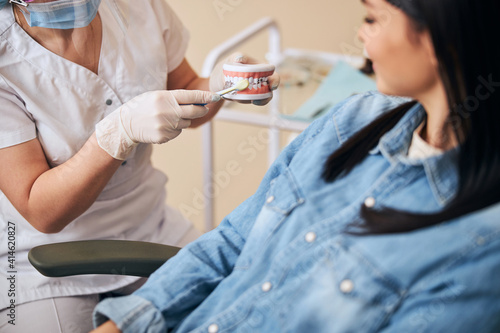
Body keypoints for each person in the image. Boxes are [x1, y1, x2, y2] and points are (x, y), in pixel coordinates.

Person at [91, 0, 500, 332]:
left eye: (372, 18)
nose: (360, 33)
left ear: (438, 37)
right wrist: (123, 324)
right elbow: (234, 241)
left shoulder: (481, 247)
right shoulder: (353, 120)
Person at [0, 0, 278, 332]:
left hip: (150, 227)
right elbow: (40, 209)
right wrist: (117, 134)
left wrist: (220, 88)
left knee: (238, 312)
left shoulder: (139, 6)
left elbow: (187, 88)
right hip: (41, 260)